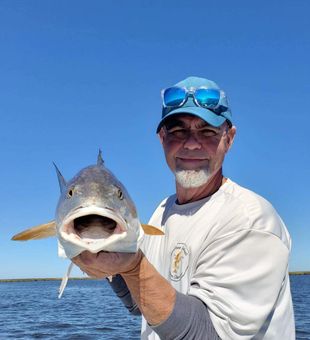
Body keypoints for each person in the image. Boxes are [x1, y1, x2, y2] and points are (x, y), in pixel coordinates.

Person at [73, 76, 295, 339]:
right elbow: (140, 304)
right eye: (178, 131)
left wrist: (132, 266)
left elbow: (208, 333)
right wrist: (108, 258)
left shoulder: (250, 219)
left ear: (230, 138)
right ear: (161, 138)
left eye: (208, 131)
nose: (191, 143)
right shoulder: (161, 212)